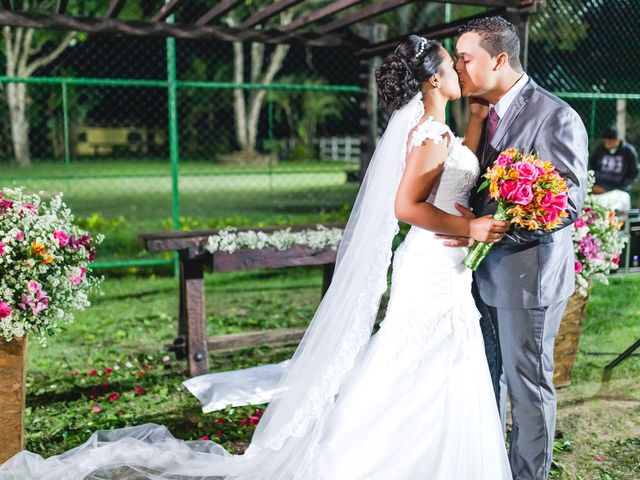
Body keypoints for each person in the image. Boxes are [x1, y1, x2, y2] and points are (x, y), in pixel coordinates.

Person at [0, 37, 512, 479]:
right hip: (430, 265)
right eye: (451, 65)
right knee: (415, 359)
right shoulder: (427, 134)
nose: (459, 71)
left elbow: (449, 178)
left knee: (431, 361)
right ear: (430, 81)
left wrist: (474, 125)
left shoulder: (439, 131)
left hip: (443, 264)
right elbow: (406, 206)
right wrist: (469, 226)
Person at [438, 16, 588, 480]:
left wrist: (491, 230)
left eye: (466, 57)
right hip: (479, 277)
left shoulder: (555, 115)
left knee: (528, 389)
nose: (458, 66)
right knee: (486, 381)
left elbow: (566, 204)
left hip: (528, 277)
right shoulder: (482, 111)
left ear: (499, 59)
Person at [590, 126, 638, 194]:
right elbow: (592, 166)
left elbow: (633, 173)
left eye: (611, 141)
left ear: (618, 140)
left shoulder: (628, 151)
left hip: (619, 188)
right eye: (606, 141)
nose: (608, 143)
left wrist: (622, 188)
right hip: (598, 187)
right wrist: (593, 184)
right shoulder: (599, 150)